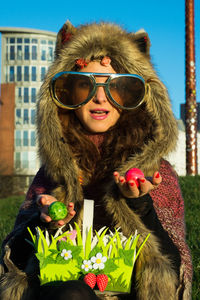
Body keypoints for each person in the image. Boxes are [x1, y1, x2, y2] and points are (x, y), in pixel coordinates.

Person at [0, 21, 192, 300]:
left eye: (118, 87)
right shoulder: (51, 172)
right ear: (64, 97)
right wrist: (46, 223)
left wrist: (140, 203)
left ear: (137, 97)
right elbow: (15, 261)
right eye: (83, 86)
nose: (100, 98)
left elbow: (172, 270)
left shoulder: (157, 172)